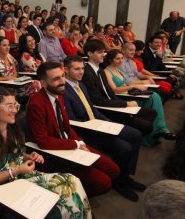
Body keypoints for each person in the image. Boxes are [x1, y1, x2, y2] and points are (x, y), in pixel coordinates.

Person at [0, 87, 92, 218]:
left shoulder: (11, 128)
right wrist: (17, 170)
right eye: (9, 106)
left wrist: (28, 156)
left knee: (73, 180)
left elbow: (14, 155)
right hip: (7, 187)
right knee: (62, 198)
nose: (14, 110)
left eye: (15, 105)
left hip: (22, 176)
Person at [26, 61, 120, 198]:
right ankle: (77, 200)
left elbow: (66, 127)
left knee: (113, 170)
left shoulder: (58, 94)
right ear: (44, 83)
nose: (62, 81)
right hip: (54, 154)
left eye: (62, 76)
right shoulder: (36, 104)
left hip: (69, 145)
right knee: (103, 183)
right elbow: (43, 141)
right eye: (56, 79)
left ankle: (80, 189)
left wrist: (80, 142)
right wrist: (75, 144)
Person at [63, 55, 145, 201]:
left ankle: (126, 176)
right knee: (124, 148)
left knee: (136, 134)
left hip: (98, 123)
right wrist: (101, 127)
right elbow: (72, 121)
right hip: (87, 131)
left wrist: (108, 122)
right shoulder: (64, 90)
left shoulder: (81, 85)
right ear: (66, 70)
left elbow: (92, 109)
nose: (81, 72)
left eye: (82, 68)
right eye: (76, 69)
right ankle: (120, 182)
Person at [81, 39, 157, 135]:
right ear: (89, 53)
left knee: (151, 113)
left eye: (104, 52)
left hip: (112, 104)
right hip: (105, 110)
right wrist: (125, 104)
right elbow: (97, 100)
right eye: (100, 52)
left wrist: (124, 103)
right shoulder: (87, 72)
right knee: (146, 125)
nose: (103, 54)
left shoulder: (99, 70)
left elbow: (110, 93)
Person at [103, 49, 176, 146]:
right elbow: (114, 90)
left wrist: (137, 87)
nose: (120, 61)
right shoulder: (106, 72)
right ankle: (159, 131)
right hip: (121, 99)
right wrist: (133, 86)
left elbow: (126, 84)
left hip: (128, 94)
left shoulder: (118, 70)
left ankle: (159, 131)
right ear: (110, 60)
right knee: (153, 97)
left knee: (153, 96)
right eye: (117, 59)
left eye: (121, 58)